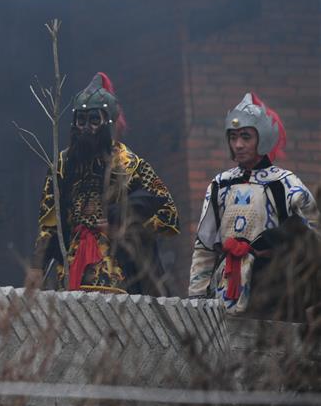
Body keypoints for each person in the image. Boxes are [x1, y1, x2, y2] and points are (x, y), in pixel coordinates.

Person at [26, 72, 179, 293]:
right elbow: (48, 223)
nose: (86, 127)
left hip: (119, 275)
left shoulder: (130, 164)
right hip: (70, 273)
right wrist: (36, 266)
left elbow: (168, 213)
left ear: (108, 122)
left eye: (94, 120)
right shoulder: (61, 165)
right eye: (81, 120)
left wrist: (121, 221)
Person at [188, 92, 319, 316]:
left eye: (246, 137)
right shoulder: (220, 185)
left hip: (273, 289)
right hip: (225, 289)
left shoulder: (285, 183)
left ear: (263, 138)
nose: (238, 145)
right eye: (233, 137)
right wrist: (196, 299)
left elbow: (314, 233)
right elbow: (205, 246)